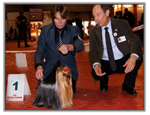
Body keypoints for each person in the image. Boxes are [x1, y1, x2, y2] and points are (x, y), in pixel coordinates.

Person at [89, 5, 143, 95]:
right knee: (95, 71)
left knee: (138, 58)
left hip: (122, 61)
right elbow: (93, 51)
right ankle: (104, 82)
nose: (96, 19)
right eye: (94, 16)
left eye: (98, 15)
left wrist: (133, 57)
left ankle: (128, 85)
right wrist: (96, 64)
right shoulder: (93, 31)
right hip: (105, 62)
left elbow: (136, 41)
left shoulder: (122, 24)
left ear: (107, 13)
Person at [34, 5, 84, 94]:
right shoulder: (46, 30)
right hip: (50, 68)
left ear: (66, 18)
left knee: (65, 94)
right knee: (49, 92)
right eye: (57, 19)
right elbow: (40, 51)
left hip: (67, 70)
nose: (60, 22)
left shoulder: (73, 29)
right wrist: (39, 66)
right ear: (53, 18)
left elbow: (80, 44)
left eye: (63, 18)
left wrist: (69, 47)